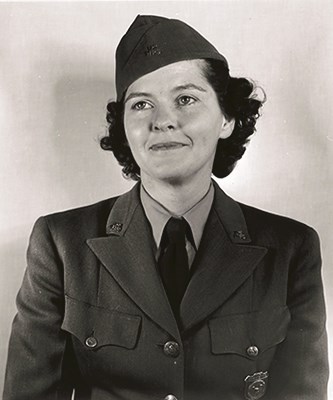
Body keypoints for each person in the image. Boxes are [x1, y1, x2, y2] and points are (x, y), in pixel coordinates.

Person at [3, 14, 328, 400]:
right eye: (141, 105)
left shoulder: (290, 248)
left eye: (186, 99)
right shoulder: (61, 244)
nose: (163, 121)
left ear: (227, 118)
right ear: (123, 125)